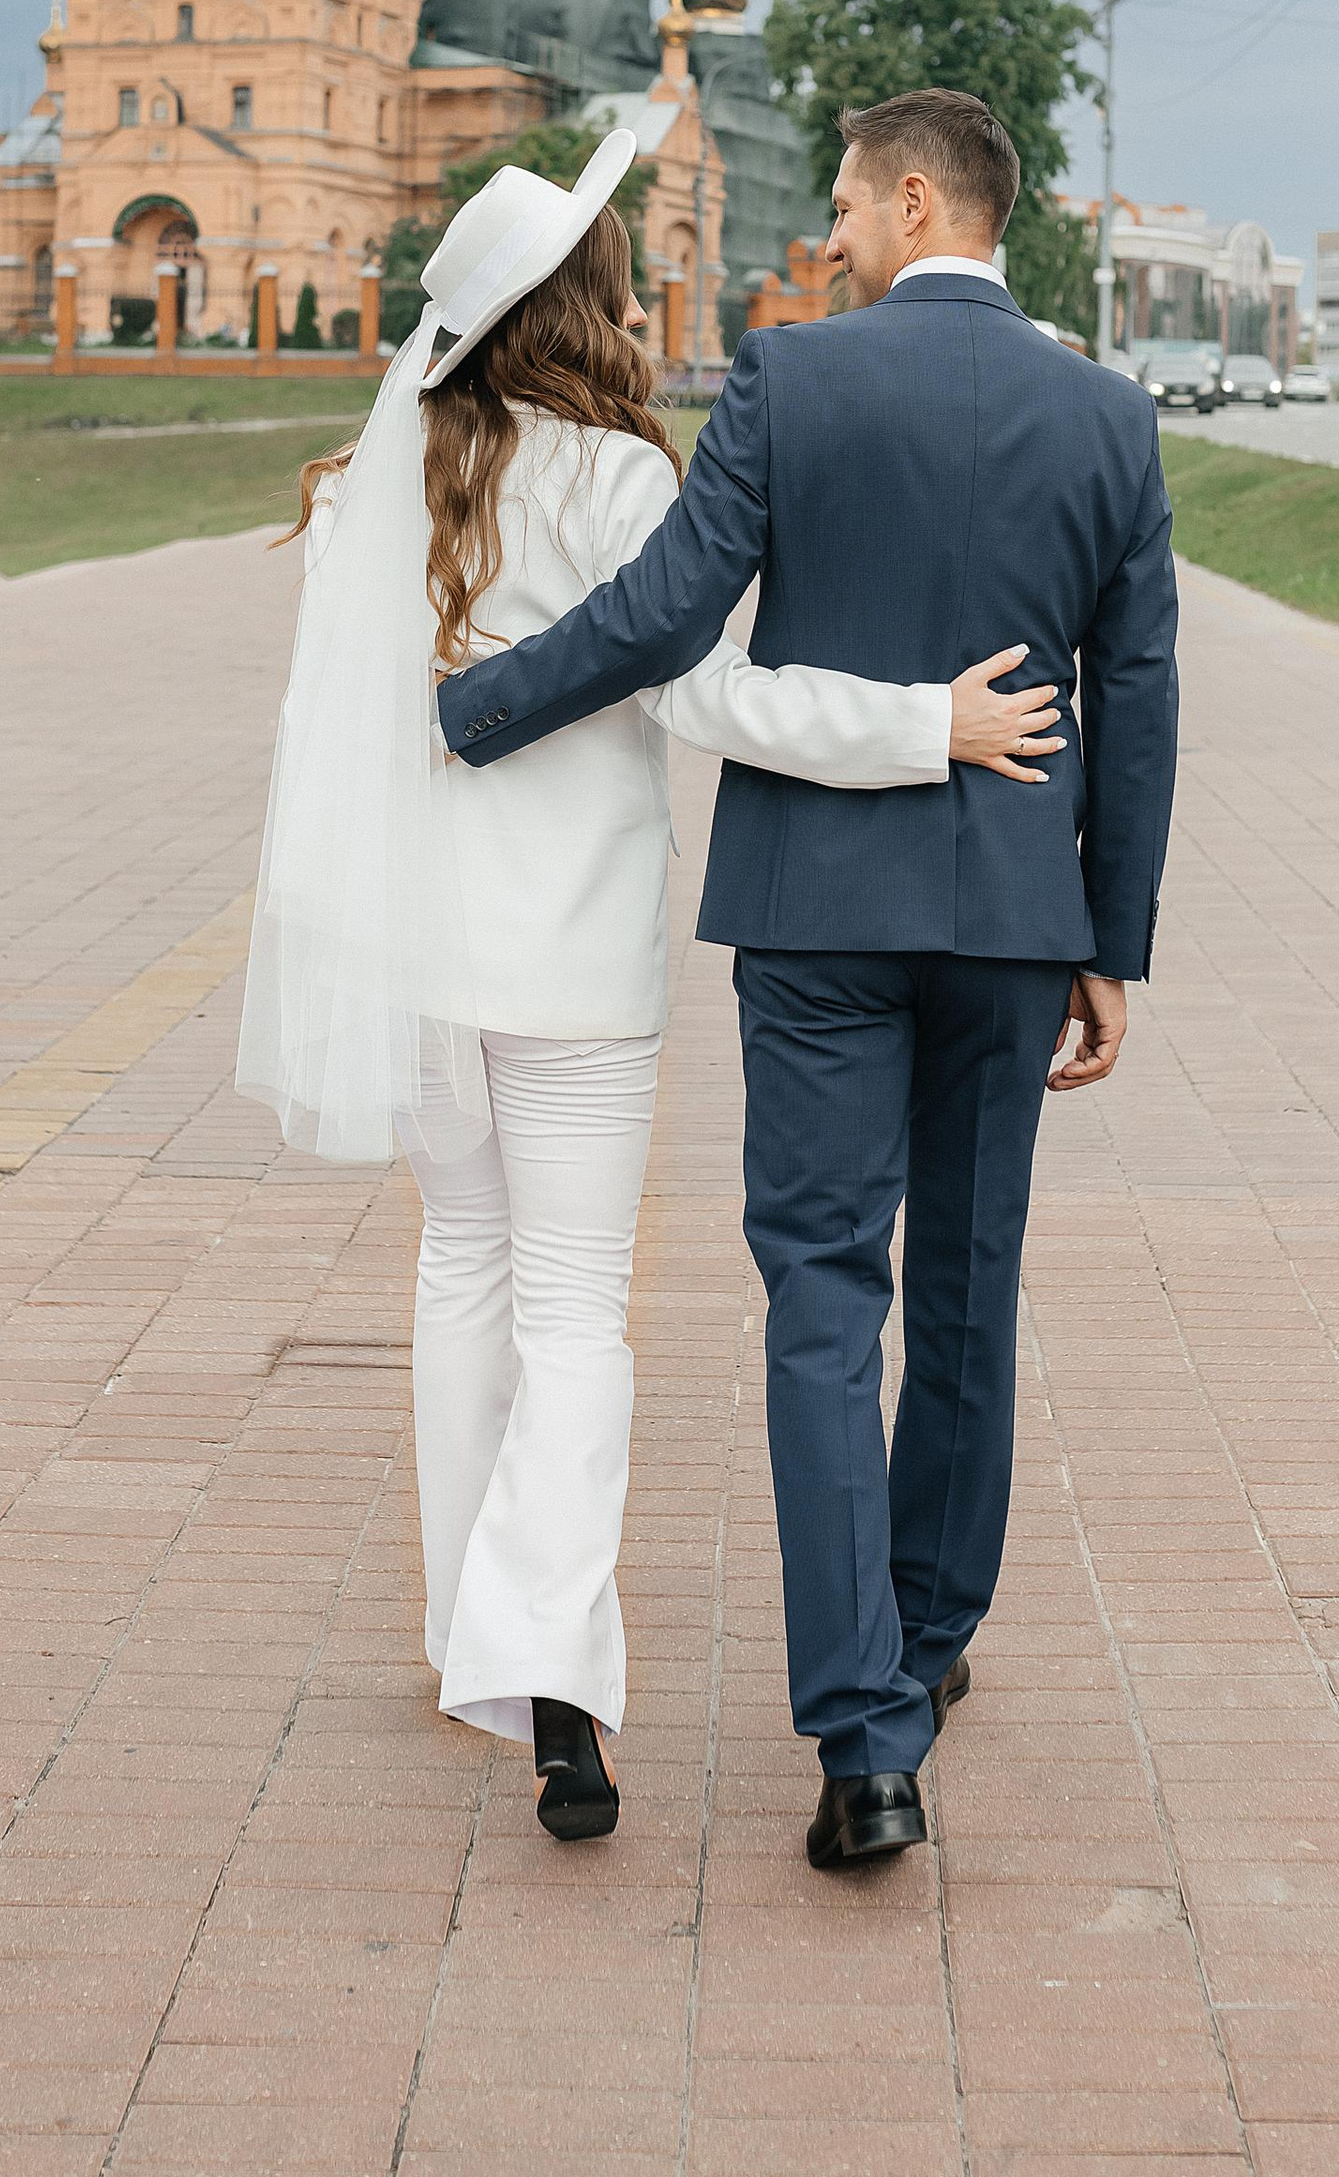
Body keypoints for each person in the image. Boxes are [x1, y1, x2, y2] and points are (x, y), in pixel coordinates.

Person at [235, 131, 1059, 1844]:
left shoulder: (375, 475)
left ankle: (478, 1633)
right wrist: (933, 727)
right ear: (597, 305)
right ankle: (554, 1676)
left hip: (414, 954)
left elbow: (335, 741)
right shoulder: (619, 483)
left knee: (458, 1269)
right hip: (573, 968)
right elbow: (720, 700)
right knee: (570, 1314)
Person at [439, 90, 1178, 1870]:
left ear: (915, 199)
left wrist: (481, 704)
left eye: (845, 203)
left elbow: (673, 613)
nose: (829, 233)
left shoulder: (793, 378)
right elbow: (1138, 699)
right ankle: (927, 1648)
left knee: (824, 1298)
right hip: (1013, 921)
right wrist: (1109, 940)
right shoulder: (1111, 417)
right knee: (973, 1279)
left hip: (819, 923)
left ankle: (861, 1743)